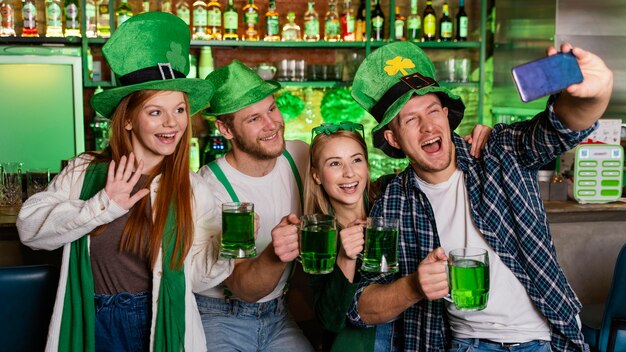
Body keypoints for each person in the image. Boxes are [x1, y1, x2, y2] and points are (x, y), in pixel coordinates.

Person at [345, 41, 613, 351]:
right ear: (393, 138)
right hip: (467, 345)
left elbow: (560, 128)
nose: (427, 126)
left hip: (543, 340)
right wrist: (413, 286)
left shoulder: (498, 151)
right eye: (410, 120)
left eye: (433, 111)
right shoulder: (394, 202)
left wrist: (596, 93)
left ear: (447, 115)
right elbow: (362, 308)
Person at [16, 12, 232, 352]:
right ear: (128, 119)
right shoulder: (83, 172)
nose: (172, 123)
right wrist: (104, 205)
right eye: (155, 111)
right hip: (92, 320)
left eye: (178, 110)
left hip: (156, 322)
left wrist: (227, 249)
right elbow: (30, 231)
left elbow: (196, 278)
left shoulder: (191, 188)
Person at [303, 121, 491, 352]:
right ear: (317, 176)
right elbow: (329, 321)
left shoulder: (393, 194)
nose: (349, 173)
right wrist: (345, 257)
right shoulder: (316, 235)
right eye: (334, 164)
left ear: (367, 166)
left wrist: (475, 141)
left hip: (421, 337)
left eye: (356, 160)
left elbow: (431, 166)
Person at [196, 60, 314, 351]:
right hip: (218, 316)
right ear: (226, 129)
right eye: (254, 119)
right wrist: (275, 253)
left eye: (272, 109)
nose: (272, 124)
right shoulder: (208, 188)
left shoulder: (299, 155)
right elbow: (243, 288)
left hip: (278, 313)